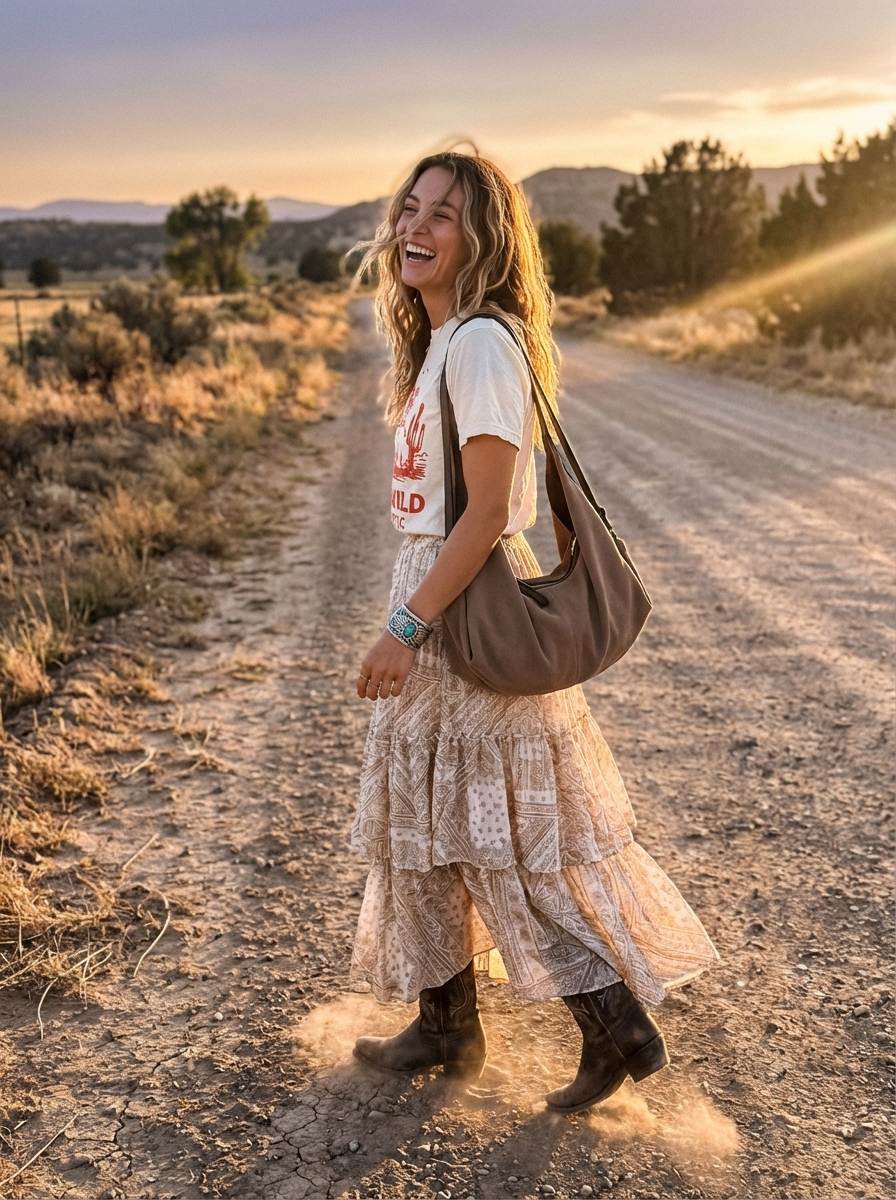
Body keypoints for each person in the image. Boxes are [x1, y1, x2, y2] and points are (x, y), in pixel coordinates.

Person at [348, 151, 719, 1113]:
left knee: (492, 838)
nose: (415, 228)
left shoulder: (477, 345)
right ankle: (448, 1026)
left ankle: (612, 1025)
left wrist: (401, 627)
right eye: (410, 208)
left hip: (457, 611)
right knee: (426, 831)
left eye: (445, 215)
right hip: (439, 595)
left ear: (485, 239)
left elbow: (482, 518)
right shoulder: (440, 341)